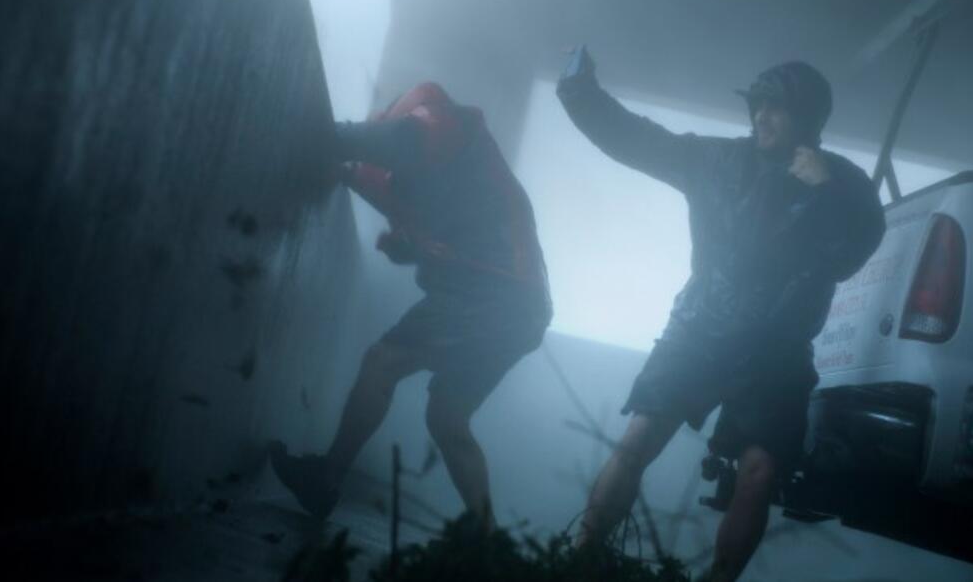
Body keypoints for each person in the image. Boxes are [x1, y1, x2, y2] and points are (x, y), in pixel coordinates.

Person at [557, 48, 884, 581]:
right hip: (700, 327)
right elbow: (638, 140)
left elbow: (849, 256)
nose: (761, 116)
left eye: (775, 107)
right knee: (638, 440)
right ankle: (578, 561)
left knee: (759, 473)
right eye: (757, 105)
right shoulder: (719, 160)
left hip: (778, 349)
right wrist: (580, 92)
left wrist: (824, 191)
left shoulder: (844, 185)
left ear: (808, 118)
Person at [270, 82, 552, 524]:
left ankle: (326, 478)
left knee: (383, 363)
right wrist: (404, 246)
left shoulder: (438, 125)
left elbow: (392, 141)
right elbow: (444, 236)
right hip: (522, 311)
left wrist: (319, 133)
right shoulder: (435, 173)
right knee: (447, 418)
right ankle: (487, 545)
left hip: (492, 293)